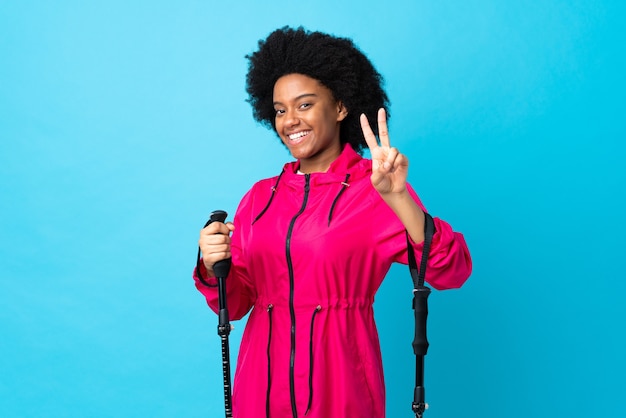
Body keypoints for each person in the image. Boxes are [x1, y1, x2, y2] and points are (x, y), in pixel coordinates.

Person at [194, 26, 472, 418]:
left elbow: (452, 269)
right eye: (279, 109)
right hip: (258, 390)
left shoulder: (374, 189)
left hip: (340, 388)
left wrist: (398, 198)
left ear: (341, 107)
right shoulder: (259, 198)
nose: (290, 120)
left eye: (304, 105)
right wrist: (212, 265)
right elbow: (237, 303)